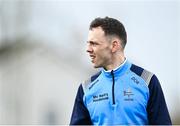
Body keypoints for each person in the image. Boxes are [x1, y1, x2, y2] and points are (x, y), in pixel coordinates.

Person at [70, 17, 172, 125]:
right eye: (88, 43)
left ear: (114, 46)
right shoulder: (86, 88)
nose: (88, 49)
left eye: (94, 43)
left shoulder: (148, 81)